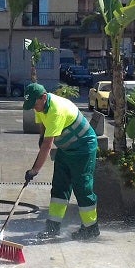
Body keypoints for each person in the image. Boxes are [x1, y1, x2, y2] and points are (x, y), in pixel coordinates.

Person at [23, 83, 100, 240]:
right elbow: (43, 127)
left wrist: (34, 171)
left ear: (43, 98)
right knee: (59, 186)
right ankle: (52, 228)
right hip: (66, 149)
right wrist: (41, 138)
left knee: (82, 187)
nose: (34, 108)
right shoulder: (40, 106)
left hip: (83, 148)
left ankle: (91, 228)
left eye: (35, 104)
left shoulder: (55, 110)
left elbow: (47, 146)